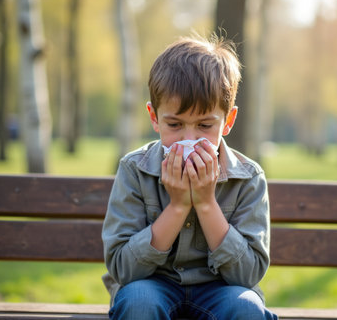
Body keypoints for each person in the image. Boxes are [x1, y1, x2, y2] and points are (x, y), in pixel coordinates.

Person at [102, 33, 278, 320]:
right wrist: (178, 206)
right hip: (152, 285)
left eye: (205, 125)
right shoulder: (135, 169)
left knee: (245, 307)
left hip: (221, 290)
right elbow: (123, 269)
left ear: (228, 121)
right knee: (139, 302)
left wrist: (206, 204)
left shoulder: (248, 178)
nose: (189, 139)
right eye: (175, 124)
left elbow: (247, 275)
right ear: (154, 117)